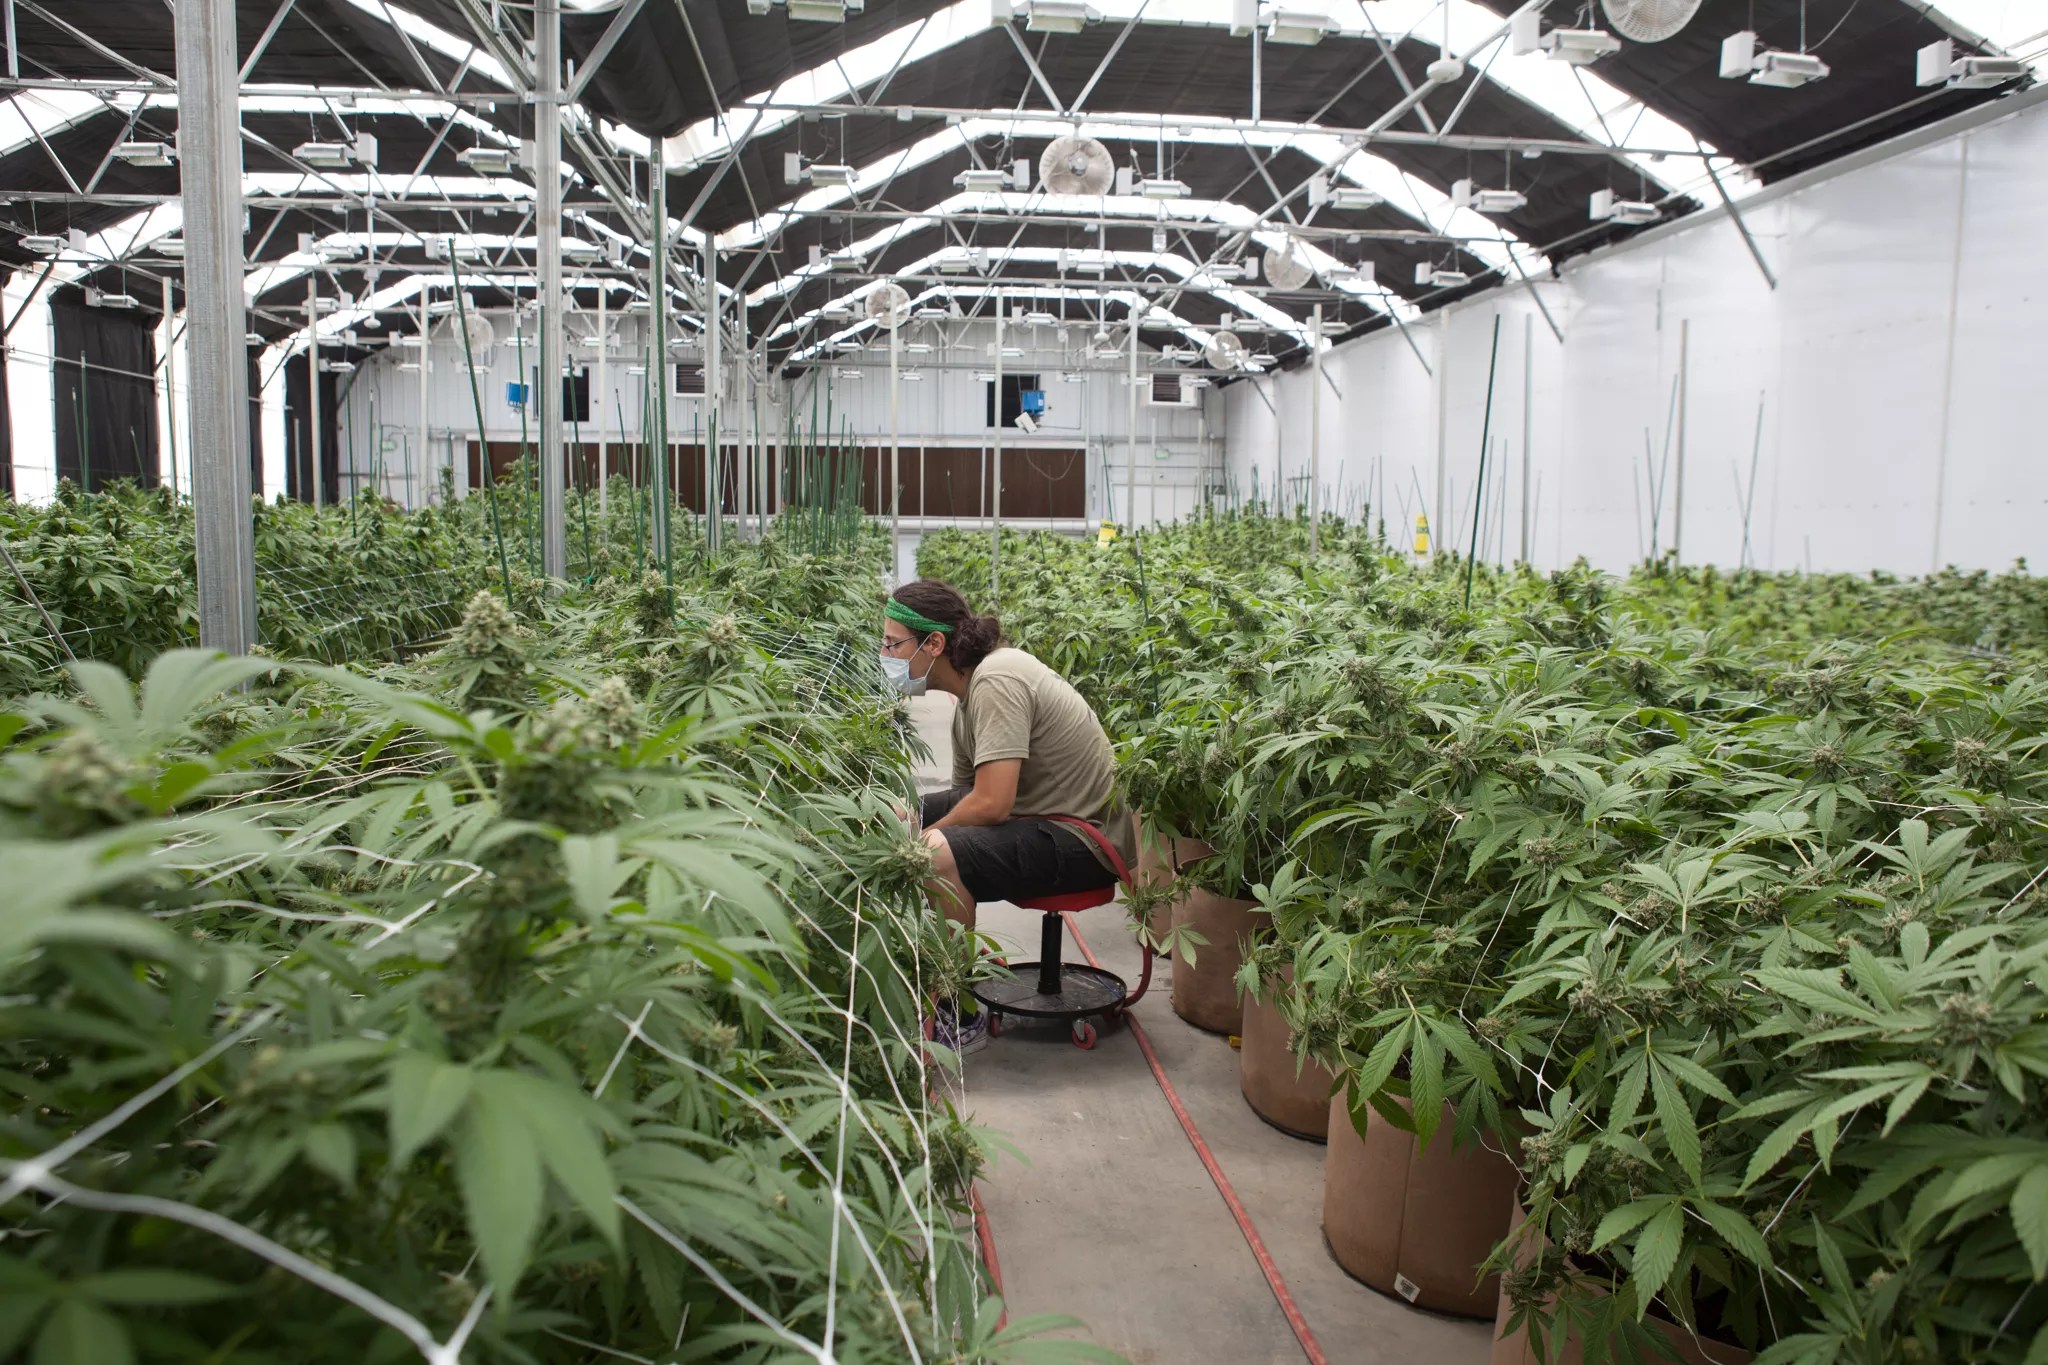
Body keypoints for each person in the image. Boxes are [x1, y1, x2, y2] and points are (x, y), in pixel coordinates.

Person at [881, 579, 1134, 1053]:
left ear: (934, 643)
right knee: (902, 810)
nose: (886, 655)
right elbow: (966, 794)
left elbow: (992, 803)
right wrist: (912, 816)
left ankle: (957, 1010)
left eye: (893, 643)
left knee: (933, 852)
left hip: (1084, 840)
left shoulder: (997, 679)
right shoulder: (966, 699)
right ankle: (918, 973)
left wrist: (924, 838)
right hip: (1040, 820)